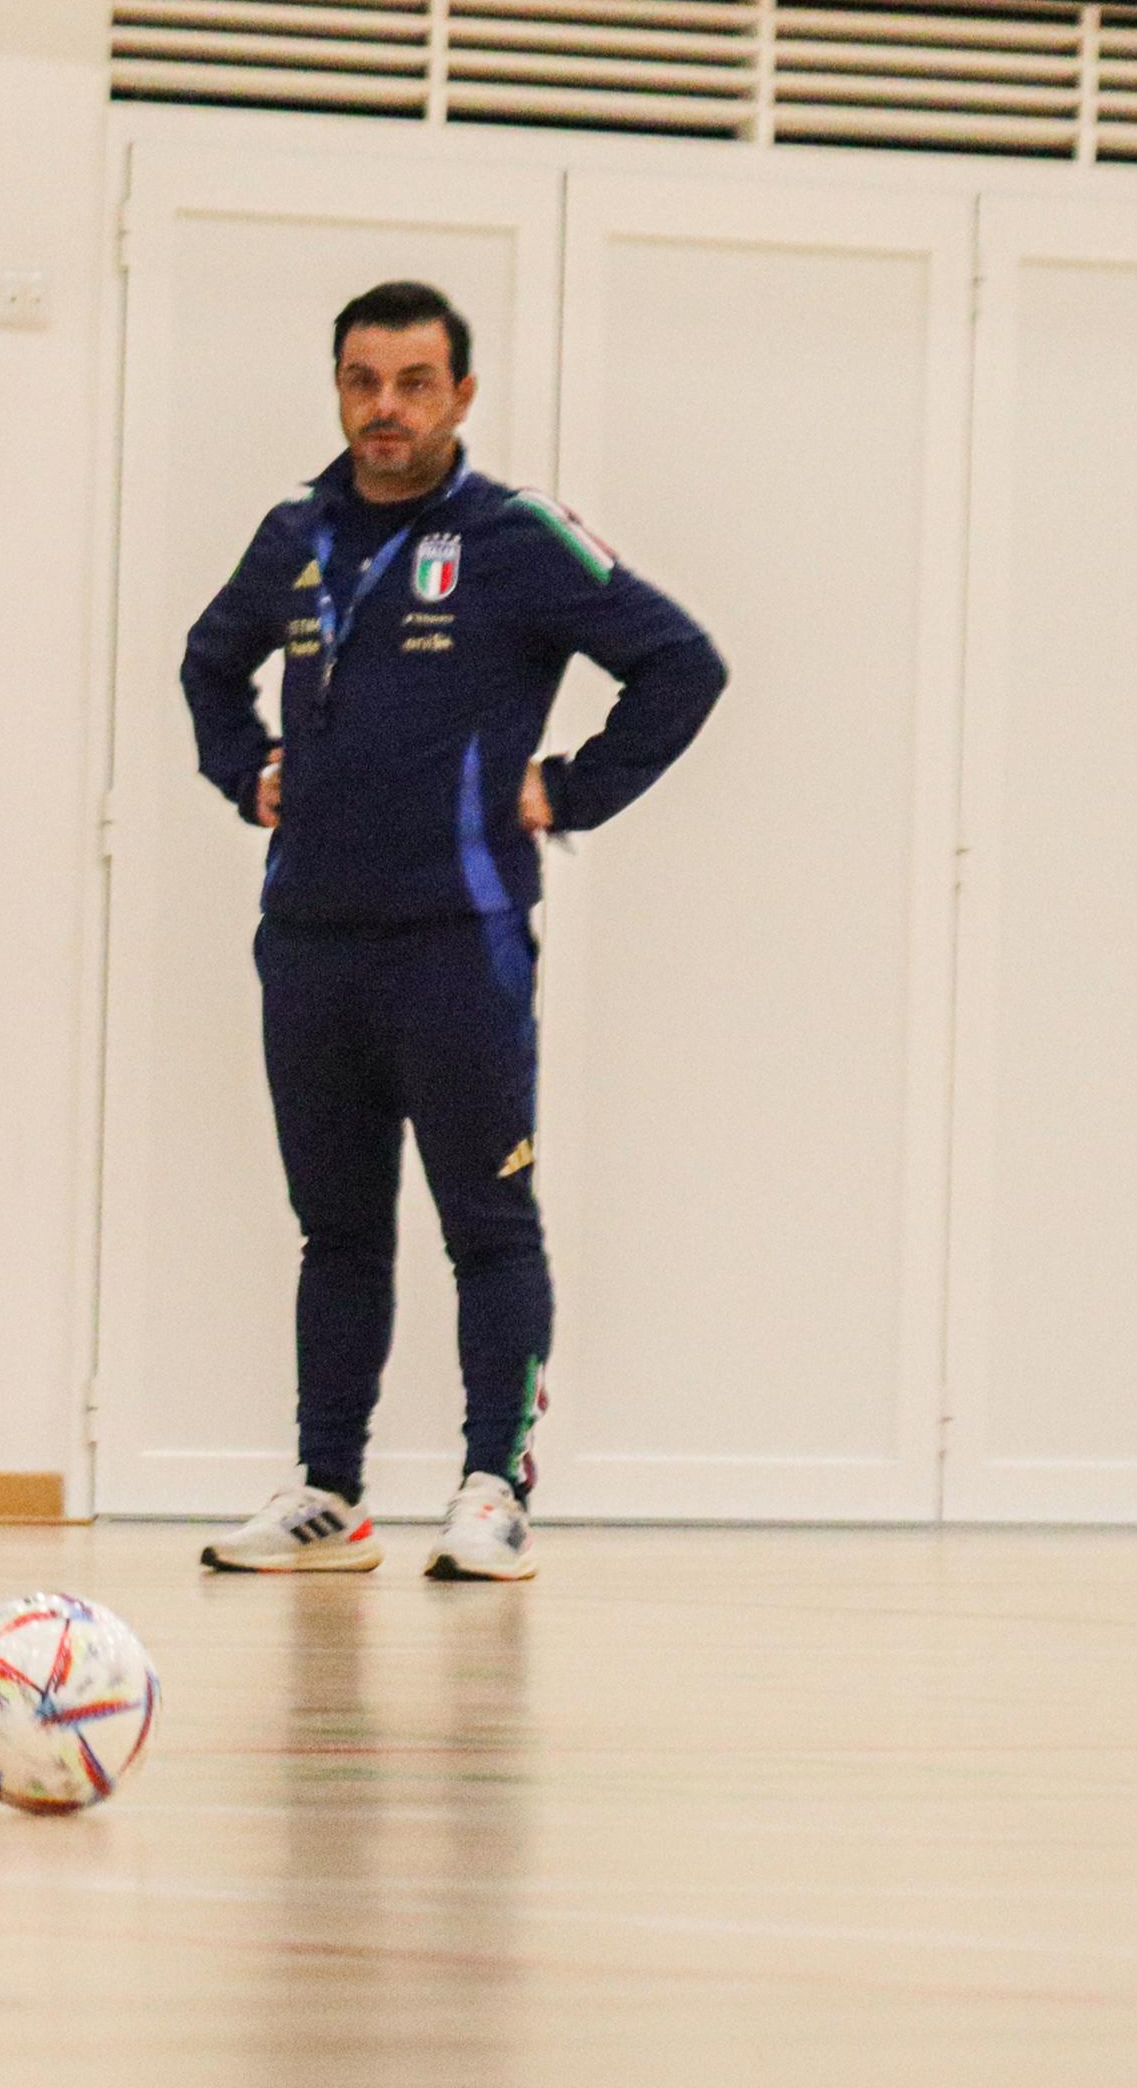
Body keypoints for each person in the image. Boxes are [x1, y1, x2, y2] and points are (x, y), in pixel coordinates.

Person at [182, 279, 725, 1584]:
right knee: (337, 1231)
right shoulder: (295, 534)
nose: (386, 409)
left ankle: (492, 1489)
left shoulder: (517, 536)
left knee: (489, 1225)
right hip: (308, 939)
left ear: (461, 395)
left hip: (459, 943)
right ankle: (329, 1493)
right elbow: (210, 657)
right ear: (338, 389)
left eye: (414, 383)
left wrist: (573, 789)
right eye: (364, 381)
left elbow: (683, 662)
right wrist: (240, 765)